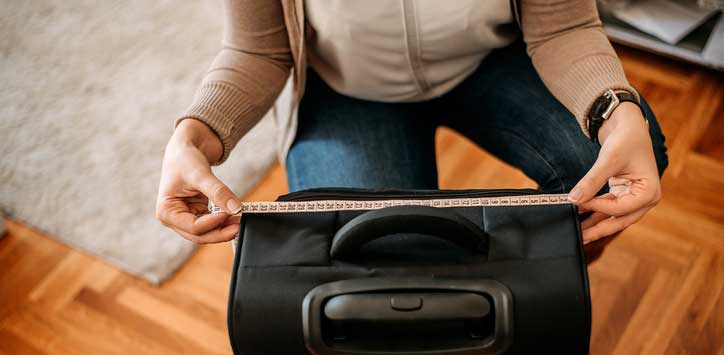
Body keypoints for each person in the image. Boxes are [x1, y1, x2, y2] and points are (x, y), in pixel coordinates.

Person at [156, 0, 667, 253]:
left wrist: (616, 108)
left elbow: (563, 23)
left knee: (611, 167)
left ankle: (551, 305)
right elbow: (258, 47)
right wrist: (194, 134)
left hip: (491, 59)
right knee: (375, 247)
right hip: (347, 92)